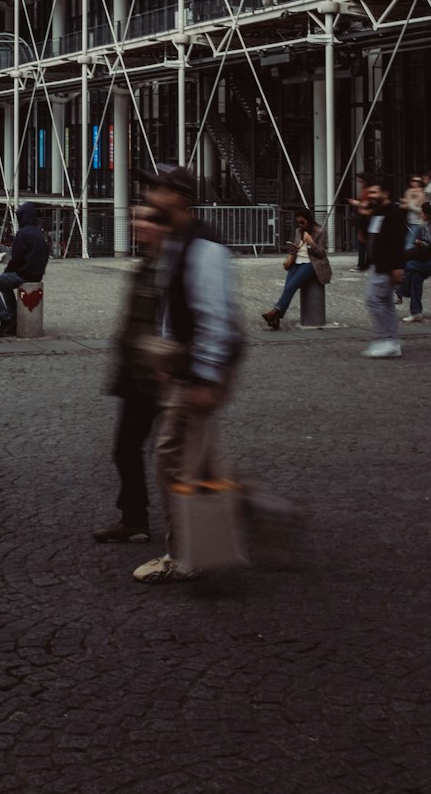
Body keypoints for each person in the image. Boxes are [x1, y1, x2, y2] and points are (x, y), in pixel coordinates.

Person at [131, 164, 244, 584]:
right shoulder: (176, 241)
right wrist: (166, 352)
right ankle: (238, 522)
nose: (150, 195)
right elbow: (171, 302)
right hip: (187, 362)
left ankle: (186, 555)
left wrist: (205, 378)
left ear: (178, 197)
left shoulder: (204, 246)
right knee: (199, 458)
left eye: (157, 189)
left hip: (203, 364)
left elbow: (215, 317)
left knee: (171, 456)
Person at [93, 204, 171, 546]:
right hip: (138, 375)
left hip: (154, 377)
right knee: (130, 448)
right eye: (135, 217)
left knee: (159, 453)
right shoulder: (149, 264)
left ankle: (142, 520)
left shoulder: (168, 268)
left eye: (145, 219)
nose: (136, 223)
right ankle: (135, 518)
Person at [0, 202, 49, 337]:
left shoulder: (23, 233)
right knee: (4, 284)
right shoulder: (39, 233)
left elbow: (16, 258)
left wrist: (7, 270)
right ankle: (13, 315)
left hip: (24, 274)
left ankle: (6, 317)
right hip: (37, 274)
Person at [360, 181, 407, 358]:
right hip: (378, 264)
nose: (370, 195)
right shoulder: (377, 213)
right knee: (386, 302)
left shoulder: (393, 214)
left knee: (373, 300)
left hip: (386, 266)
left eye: (374, 192)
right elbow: (366, 237)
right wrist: (364, 215)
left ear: (385, 194)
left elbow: (397, 242)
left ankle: (385, 339)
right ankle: (391, 340)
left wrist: (397, 266)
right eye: (369, 192)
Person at [261, 208, 331, 329]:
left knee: (290, 286)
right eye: (298, 222)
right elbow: (296, 246)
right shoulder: (298, 231)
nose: (300, 225)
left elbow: (321, 253)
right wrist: (293, 250)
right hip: (297, 262)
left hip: (312, 264)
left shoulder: (320, 231)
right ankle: (276, 318)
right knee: (288, 287)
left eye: (302, 222)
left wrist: (310, 242)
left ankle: (275, 312)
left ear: (309, 220)